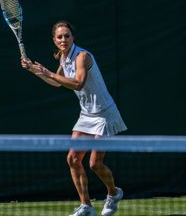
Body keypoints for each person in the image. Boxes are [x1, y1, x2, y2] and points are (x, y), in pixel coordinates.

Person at [21, 21, 127, 216]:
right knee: (72, 159)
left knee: (95, 164)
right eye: (59, 37)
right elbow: (56, 83)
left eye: (67, 36)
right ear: (54, 40)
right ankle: (86, 206)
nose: (63, 40)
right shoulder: (63, 57)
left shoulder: (82, 56)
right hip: (86, 114)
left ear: (73, 37)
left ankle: (114, 193)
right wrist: (34, 70)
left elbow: (78, 84)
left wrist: (48, 72)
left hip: (104, 114)